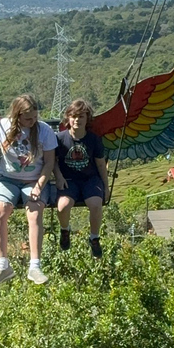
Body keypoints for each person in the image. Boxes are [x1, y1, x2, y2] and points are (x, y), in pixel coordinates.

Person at [0, 95, 57, 287]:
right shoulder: (1, 126)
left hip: (34, 179)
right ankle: (2, 265)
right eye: (28, 119)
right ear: (17, 116)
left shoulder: (44, 131)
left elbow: (49, 163)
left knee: (34, 212)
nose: (33, 122)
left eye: (34, 118)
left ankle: (35, 266)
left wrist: (39, 186)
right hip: (8, 180)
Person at [53, 99, 109, 258]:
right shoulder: (59, 138)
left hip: (90, 180)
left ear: (87, 119)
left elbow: (100, 165)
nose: (77, 120)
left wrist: (106, 187)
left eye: (81, 116)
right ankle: (65, 230)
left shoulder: (93, 140)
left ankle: (94, 238)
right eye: (74, 116)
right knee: (63, 206)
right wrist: (58, 176)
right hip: (69, 180)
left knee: (96, 204)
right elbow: (52, 162)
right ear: (68, 118)